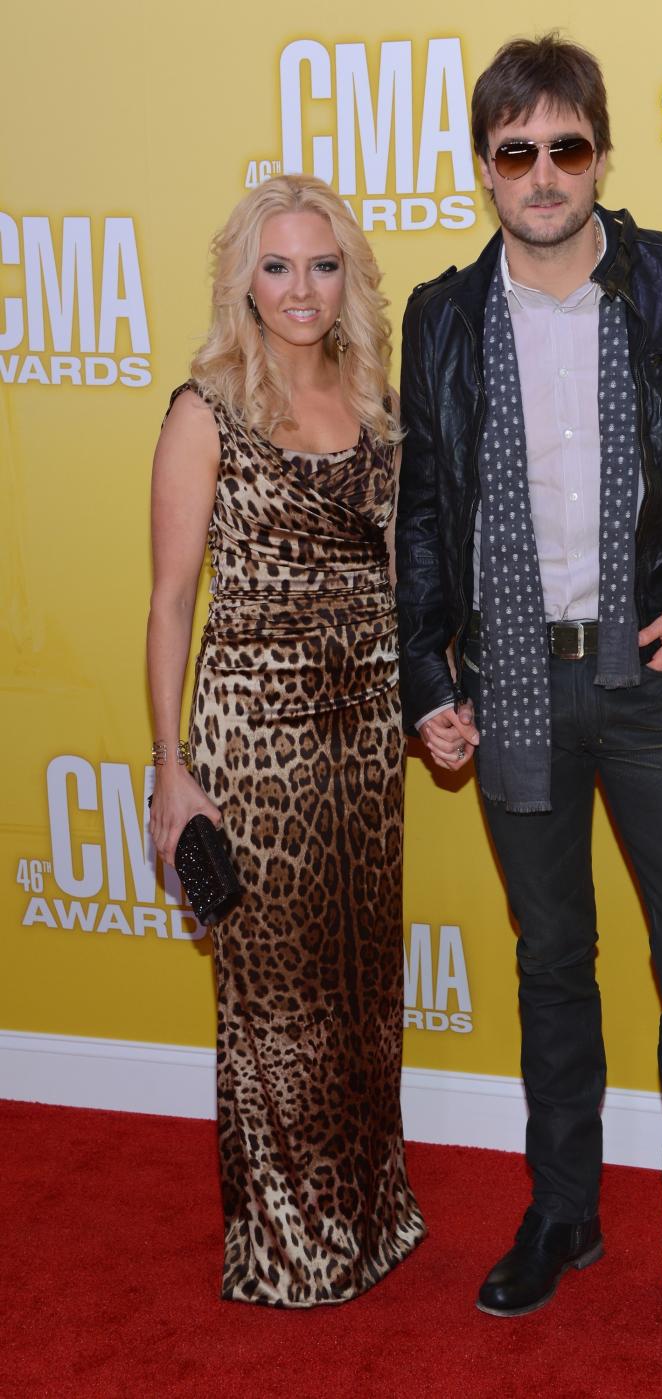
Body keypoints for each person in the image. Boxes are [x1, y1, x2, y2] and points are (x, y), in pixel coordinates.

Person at [395, 34, 662, 1363]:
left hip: (652, 672)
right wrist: (424, 677)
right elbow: (429, 516)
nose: (545, 174)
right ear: (488, 168)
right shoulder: (444, 316)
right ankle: (562, 1213)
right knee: (551, 962)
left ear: (599, 153)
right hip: (508, 671)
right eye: (518, 152)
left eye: (567, 147)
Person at [147, 174, 425, 1306]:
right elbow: (173, 600)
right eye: (277, 265)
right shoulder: (204, 408)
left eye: (321, 265)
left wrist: (429, 698)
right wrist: (172, 772)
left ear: (347, 278)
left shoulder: (375, 399)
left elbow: (402, 576)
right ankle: (290, 1245)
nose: (301, 287)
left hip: (367, 732)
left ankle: (369, 1214)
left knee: (361, 987)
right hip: (254, 734)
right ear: (243, 281)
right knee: (277, 1006)